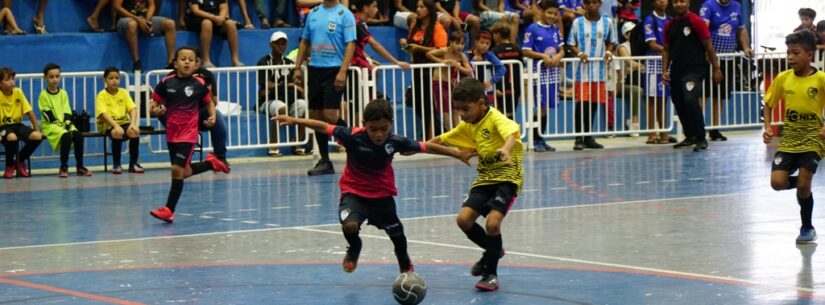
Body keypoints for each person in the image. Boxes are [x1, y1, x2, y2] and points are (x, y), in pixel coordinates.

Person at [274, 98, 472, 274]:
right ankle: (354, 248)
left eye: (384, 128)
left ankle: (404, 262)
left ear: (391, 125)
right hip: (354, 193)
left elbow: (426, 146)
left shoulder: (395, 142)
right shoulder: (352, 135)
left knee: (397, 236)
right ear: (364, 125)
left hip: (382, 197)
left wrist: (457, 153)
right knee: (350, 225)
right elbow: (323, 126)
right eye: (373, 129)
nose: (379, 134)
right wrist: (295, 120)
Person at [428, 77, 523, 291]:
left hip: (508, 177)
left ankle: (490, 273)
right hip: (485, 178)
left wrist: (507, 149)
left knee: (492, 224)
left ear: (481, 104)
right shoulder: (468, 124)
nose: (461, 114)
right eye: (458, 109)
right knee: (463, 220)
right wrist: (417, 147)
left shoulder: (494, 117)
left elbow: (511, 132)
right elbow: (443, 139)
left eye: (466, 109)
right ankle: (493, 250)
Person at [148, 46, 231, 223]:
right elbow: (153, 104)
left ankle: (169, 209)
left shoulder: (199, 84)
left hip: (188, 133)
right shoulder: (166, 83)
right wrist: (155, 110)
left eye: (191, 60)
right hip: (172, 133)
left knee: (176, 170)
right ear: (175, 63)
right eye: (183, 59)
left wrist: (213, 116)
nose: (187, 62)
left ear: (195, 64)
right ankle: (211, 164)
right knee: (184, 172)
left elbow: (209, 103)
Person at [763, 30, 825, 244]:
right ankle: (802, 186)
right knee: (777, 183)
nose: (790, 57)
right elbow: (768, 104)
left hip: (813, 138)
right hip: (789, 139)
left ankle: (807, 227)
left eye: (795, 53)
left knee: (804, 184)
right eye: (788, 53)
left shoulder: (820, 79)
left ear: (809, 55)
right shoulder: (783, 78)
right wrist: (768, 127)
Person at [292, 0, 356, 175]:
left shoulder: (345, 14)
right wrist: (297, 68)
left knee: (330, 116)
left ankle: (357, 143)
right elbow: (305, 41)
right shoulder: (313, 13)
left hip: (334, 69)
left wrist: (343, 71)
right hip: (315, 70)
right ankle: (325, 161)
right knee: (316, 115)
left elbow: (351, 44)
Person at [662, 0, 721, 152]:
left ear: (688, 3)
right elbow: (666, 50)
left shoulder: (696, 21)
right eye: (675, 2)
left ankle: (701, 138)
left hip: (695, 70)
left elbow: (708, 46)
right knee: (678, 101)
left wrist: (716, 68)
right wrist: (664, 70)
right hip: (677, 70)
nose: (678, 5)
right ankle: (690, 136)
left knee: (690, 99)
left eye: (682, 1)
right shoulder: (669, 25)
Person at [699, 0, 753, 142]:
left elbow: (741, 29)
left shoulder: (737, 6)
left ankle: (715, 129)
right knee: (703, 94)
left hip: (727, 59)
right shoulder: (708, 6)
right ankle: (697, 129)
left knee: (720, 95)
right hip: (708, 58)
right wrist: (706, 52)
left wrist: (746, 47)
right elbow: (703, 30)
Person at [567, 0, 616, 150]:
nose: (591, 5)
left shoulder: (608, 22)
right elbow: (570, 43)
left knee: (594, 105)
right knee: (581, 105)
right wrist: (580, 53)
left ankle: (588, 137)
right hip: (582, 73)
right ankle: (578, 138)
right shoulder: (577, 23)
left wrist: (608, 51)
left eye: (594, 2)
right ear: (584, 5)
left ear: (600, 4)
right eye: (588, 3)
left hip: (599, 73)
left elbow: (611, 42)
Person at [400, 0, 447, 140]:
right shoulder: (415, 26)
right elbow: (411, 45)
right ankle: (435, 134)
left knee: (429, 104)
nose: (418, 10)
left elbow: (442, 50)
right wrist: (405, 45)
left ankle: (431, 137)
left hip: (431, 70)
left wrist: (420, 48)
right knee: (417, 101)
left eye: (422, 7)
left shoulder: (437, 27)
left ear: (429, 9)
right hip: (417, 69)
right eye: (417, 7)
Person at [257, 31, 308, 156]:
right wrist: (288, 85)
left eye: (283, 43)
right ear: (271, 45)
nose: (281, 46)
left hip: (288, 99)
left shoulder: (289, 63)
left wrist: (281, 87)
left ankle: (297, 142)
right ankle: (273, 144)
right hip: (267, 101)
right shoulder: (263, 62)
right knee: (280, 107)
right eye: (277, 43)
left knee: (303, 104)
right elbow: (267, 86)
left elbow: (297, 86)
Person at [523, 0, 564, 152]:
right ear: (542, 12)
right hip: (538, 73)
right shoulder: (532, 28)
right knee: (539, 107)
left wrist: (559, 55)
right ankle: (535, 140)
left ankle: (541, 138)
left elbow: (562, 49)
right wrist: (542, 56)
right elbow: (525, 51)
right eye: (549, 13)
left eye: (555, 13)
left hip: (552, 73)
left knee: (545, 108)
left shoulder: (555, 29)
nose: (552, 16)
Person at [38, 64, 91, 178]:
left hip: (64, 124)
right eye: (51, 77)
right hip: (50, 125)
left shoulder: (63, 93)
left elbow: (67, 111)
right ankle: (63, 167)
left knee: (78, 135)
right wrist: (60, 125)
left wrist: (67, 123)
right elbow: (47, 114)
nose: (54, 79)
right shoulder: (43, 95)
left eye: (57, 76)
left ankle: (80, 167)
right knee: (66, 136)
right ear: (45, 78)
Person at [96, 66, 142, 174]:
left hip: (124, 122)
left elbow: (133, 109)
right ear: (105, 80)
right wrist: (116, 125)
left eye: (117, 78)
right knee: (117, 132)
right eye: (111, 78)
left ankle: (133, 164)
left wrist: (133, 124)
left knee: (134, 131)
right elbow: (103, 114)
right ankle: (116, 164)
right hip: (108, 125)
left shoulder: (124, 92)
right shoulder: (102, 95)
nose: (114, 80)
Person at [426, 31, 473, 130]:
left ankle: (459, 132)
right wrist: (442, 62)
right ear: (450, 43)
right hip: (439, 82)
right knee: (445, 111)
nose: (460, 46)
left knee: (456, 109)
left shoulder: (461, 56)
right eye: (457, 43)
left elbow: (469, 71)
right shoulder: (445, 51)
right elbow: (429, 54)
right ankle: (451, 132)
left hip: (451, 85)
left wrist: (456, 65)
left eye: (462, 44)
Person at [0, 67, 42, 179]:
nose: (11, 82)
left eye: (12, 79)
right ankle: (9, 166)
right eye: (7, 79)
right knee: (12, 137)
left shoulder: (18, 92)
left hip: (18, 125)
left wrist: (37, 129)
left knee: (38, 136)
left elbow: (29, 111)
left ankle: (19, 162)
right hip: (3, 127)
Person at [113, 0, 177, 71]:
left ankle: (171, 62)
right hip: (125, 19)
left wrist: (147, 20)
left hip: (144, 18)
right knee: (132, 25)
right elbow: (116, 7)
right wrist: (137, 19)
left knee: (170, 24)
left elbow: (151, 5)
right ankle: (136, 62)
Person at [643, 0, 670, 144]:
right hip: (653, 63)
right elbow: (652, 44)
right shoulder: (650, 19)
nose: (662, 1)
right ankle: (651, 134)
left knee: (663, 99)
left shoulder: (670, 20)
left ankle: (664, 133)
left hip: (666, 64)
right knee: (652, 99)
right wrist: (668, 50)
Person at [184, 0, 243, 67]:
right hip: (196, 19)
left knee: (230, 24)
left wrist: (221, 17)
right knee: (207, 23)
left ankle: (235, 60)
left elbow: (223, 7)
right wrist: (213, 17)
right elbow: (196, 11)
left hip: (216, 18)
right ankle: (206, 60)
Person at [490, 21, 522, 121]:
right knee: (511, 113)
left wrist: (495, 87)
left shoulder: (494, 51)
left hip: (501, 86)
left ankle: (505, 135)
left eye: (494, 34)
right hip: (515, 87)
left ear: (498, 34)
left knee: (500, 114)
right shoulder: (517, 49)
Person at [467, 29, 505, 111]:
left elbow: (502, 69)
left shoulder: (489, 54)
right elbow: (466, 70)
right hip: (470, 88)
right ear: (476, 42)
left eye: (487, 43)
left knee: (487, 110)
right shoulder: (469, 53)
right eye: (482, 42)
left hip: (485, 88)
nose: (484, 45)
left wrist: (491, 81)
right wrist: (473, 61)